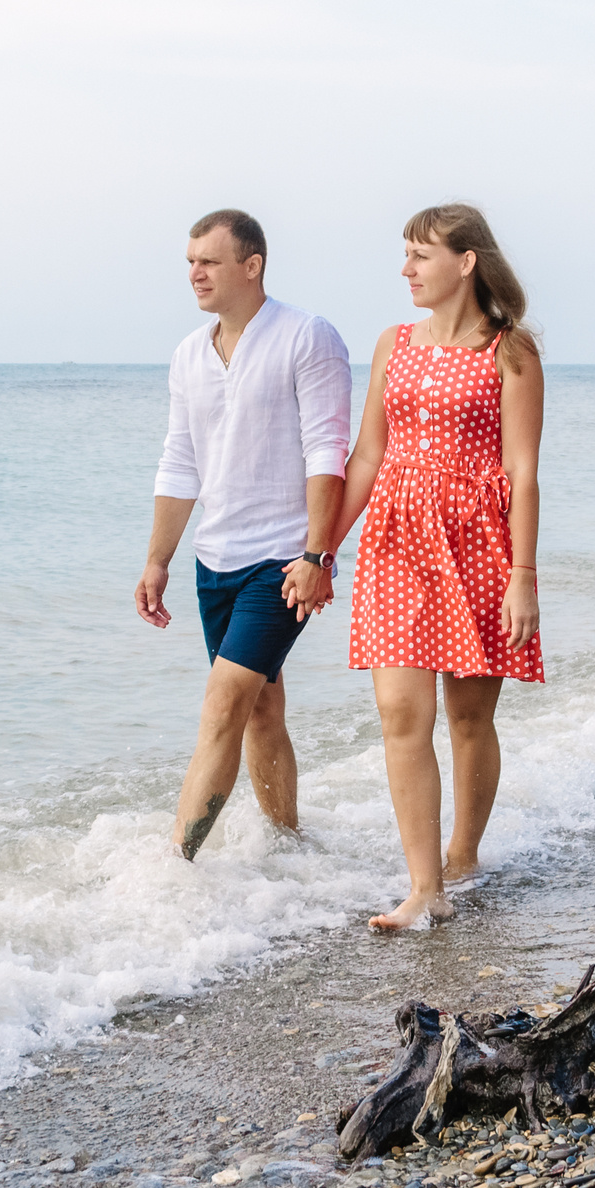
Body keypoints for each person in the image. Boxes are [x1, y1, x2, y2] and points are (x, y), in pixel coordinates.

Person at [325, 203, 544, 930]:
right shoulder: (394, 343)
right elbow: (366, 456)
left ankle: (464, 853)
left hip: (480, 541)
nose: (406, 269)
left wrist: (523, 577)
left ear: (465, 262)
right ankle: (424, 887)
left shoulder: (511, 351)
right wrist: (318, 548)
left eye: (421, 255)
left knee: (469, 716)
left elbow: (521, 470)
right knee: (399, 713)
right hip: (396, 537)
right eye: (406, 254)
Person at [134, 209, 353, 861]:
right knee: (261, 709)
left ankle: (177, 862)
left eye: (208, 260)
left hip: (281, 559)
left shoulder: (306, 336)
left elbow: (327, 449)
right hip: (214, 559)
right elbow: (180, 461)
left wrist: (318, 553)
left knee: (224, 703)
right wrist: (157, 560)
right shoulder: (187, 355)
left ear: (250, 265)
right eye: (190, 261)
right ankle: (290, 844)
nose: (195, 272)